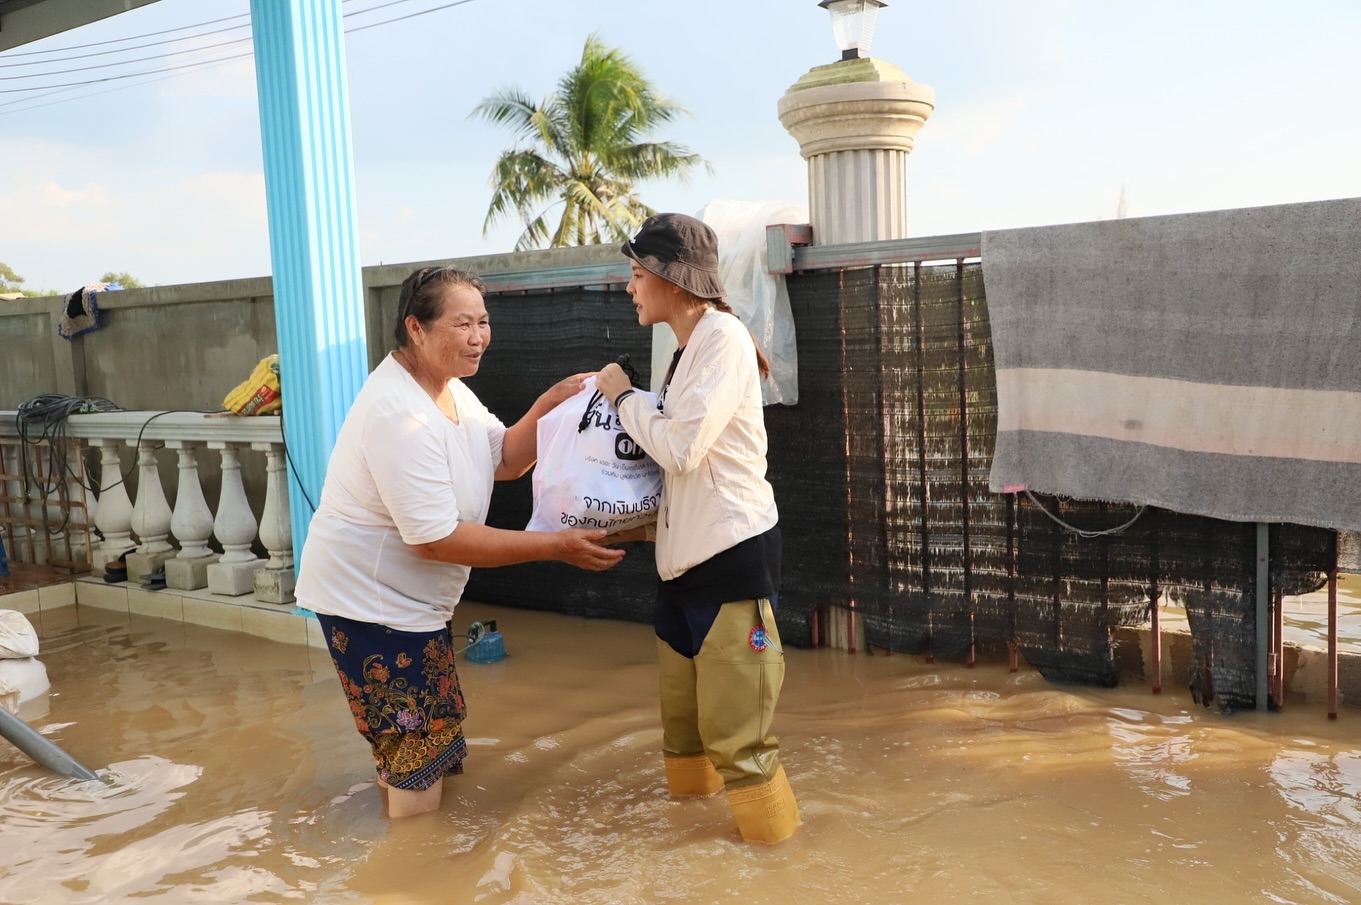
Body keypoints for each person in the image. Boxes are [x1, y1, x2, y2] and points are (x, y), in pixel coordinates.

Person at [295, 265, 624, 819]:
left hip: (407, 605)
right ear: (416, 329)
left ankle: (401, 853)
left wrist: (551, 404)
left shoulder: (450, 391)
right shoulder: (398, 413)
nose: (478, 337)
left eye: (484, 322)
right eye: (462, 324)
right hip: (373, 605)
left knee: (407, 754)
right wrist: (553, 545)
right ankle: (414, 874)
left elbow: (506, 459)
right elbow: (436, 540)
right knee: (420, 761)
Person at [594, 213, 799, 844]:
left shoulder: (723, 339)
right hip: (680, 569)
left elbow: (680, 449)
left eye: (635, 274)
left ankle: (776, 870)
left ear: (669, 280)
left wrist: (622, 396)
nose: (628, 287)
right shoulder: (687, 349)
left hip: (729, 562)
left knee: (741, 744)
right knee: (683, 735)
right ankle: (691, 861)